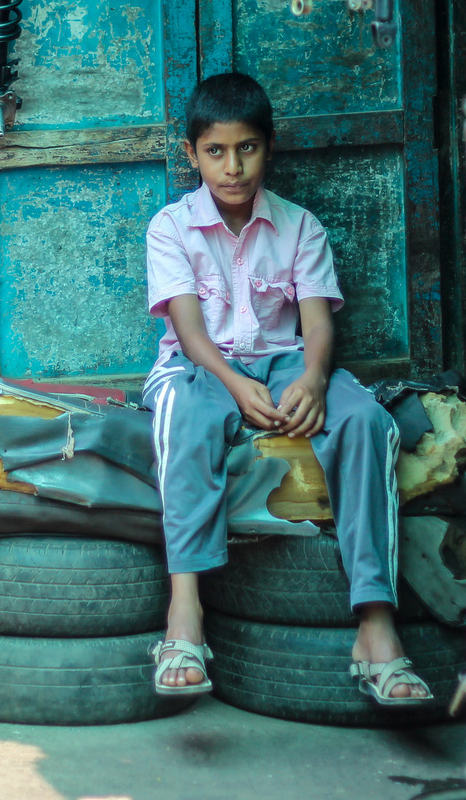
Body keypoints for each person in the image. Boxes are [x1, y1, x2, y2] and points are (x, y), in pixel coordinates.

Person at [141, 72, 431, 706]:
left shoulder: (301, 227)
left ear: (268, 149)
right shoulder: (171, 226)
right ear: (191, 154)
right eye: (215, 151)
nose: (233, 166)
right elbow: (189, 331)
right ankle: (184, 613)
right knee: (183, 414)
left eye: (246, 148)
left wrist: (315, 378)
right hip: (201, 367)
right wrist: (231, 382)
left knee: (367, 421)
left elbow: (318, 323)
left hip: (285, 362)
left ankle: (377, 627)